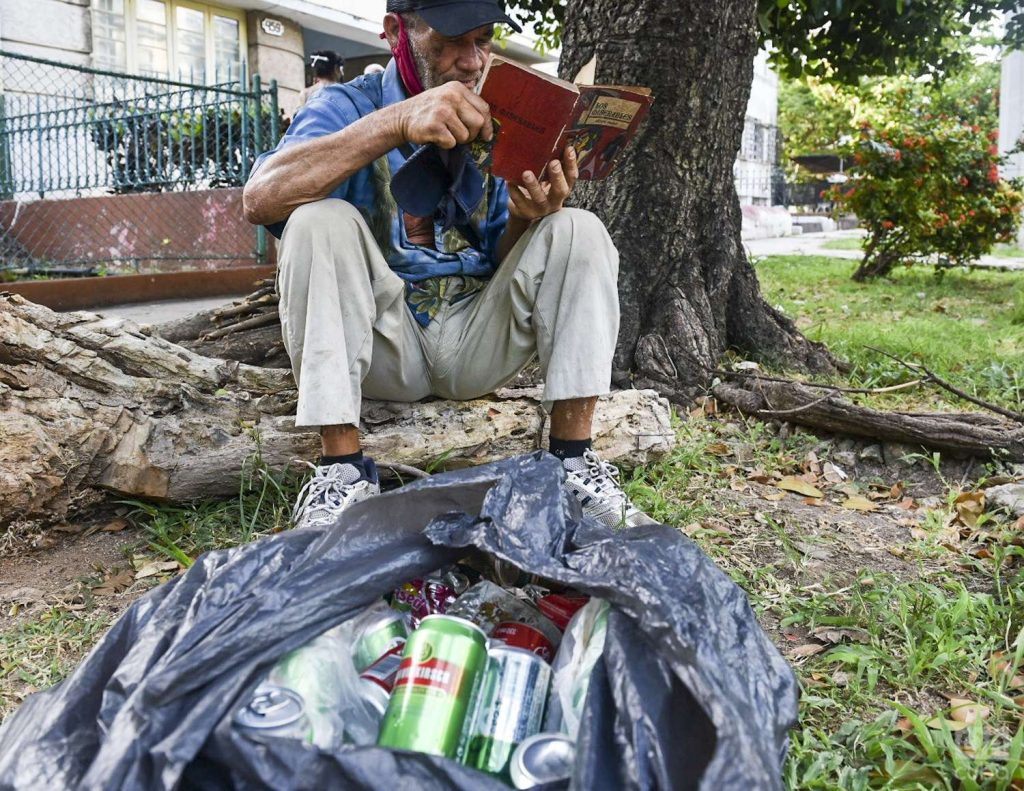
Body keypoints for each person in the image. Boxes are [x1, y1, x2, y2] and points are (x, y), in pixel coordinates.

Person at [242, 0, 655, 530]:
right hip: (382, 344)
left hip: (474, 342)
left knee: (578, 229)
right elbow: (260, 199)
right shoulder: (348, 103)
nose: (472, 60)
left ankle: (573, 462)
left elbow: (504, 263)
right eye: (452, 41)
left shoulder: (498, 110)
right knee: (315, 221)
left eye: (483, 40)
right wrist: (395, 122)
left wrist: (526, 221)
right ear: (396, 32)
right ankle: (341, 471)